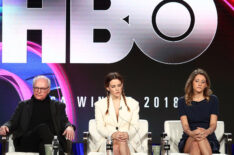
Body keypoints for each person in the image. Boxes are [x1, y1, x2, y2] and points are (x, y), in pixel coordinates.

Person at [0, 75, 75, 155]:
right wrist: (6, 126)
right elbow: (13, 122)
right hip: (28, 142)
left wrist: (69, 127)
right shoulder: (23, 105)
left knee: (43, 146)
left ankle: (55, 148)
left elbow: (64, 121)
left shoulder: (58, 106)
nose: (38, 91)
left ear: (48, 90)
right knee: (42, 128)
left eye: (42, 89)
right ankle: (59, 151)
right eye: (36, 88)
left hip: (47, 143)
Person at [94, 72, 140, 155]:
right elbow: (100, 127)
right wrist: (112, 134)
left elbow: (135, 125)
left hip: (127, 141)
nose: (117, 89)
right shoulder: (99, 105)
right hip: (107, 140)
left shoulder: (133, 103)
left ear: (122, 85)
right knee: (115, 146)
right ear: (107, 88)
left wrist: (127, 134)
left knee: (120, 143)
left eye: (119, 85)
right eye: (113, 86)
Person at [178, 68, 220, 155]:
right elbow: (185, 126)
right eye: (197, 81)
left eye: (203, 82)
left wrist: (206, 132)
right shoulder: (182, 101)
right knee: (196, 140)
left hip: (209, 138)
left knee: (196, 144)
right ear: (192, 83)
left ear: (206, 85)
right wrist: (192, 133)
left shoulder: (213, 100)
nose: (199, 84)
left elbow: (213, 125)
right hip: (189, 137)